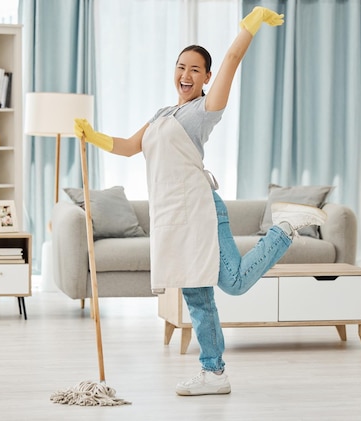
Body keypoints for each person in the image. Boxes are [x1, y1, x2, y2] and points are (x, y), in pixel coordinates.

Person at [74, 6, 327, 396]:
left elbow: (232, 58)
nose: (186, 75)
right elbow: (128, 147)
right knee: (196, 294)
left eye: (195, 69)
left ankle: (285, 227)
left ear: (207, 77)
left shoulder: (203, 112)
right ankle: (214, 373)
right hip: (174, 217)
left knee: (235, 283)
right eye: (181, 67)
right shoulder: (163, 113)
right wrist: (92, 135)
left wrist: (250, 23)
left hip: (202, 211)